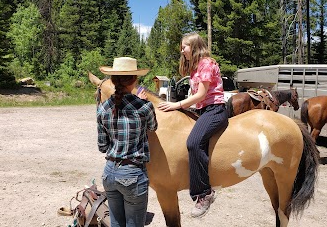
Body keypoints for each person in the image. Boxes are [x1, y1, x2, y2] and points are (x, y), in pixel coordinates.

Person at [158, 32, 228, 218]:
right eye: (181, 48)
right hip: (204, 110)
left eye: (184, 47)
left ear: (195, 46)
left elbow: (201, 95)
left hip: (215, 110)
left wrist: (176, 105)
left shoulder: (206, 63)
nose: (182, 51)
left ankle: (205, 193)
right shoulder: (196, 67)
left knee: (193, 143)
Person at [96, 57, 158, 227]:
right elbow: (153, 128)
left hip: (109, 172)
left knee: (116, 224)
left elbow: (102, 146)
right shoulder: (145, 107)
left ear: (113, 80)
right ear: (135, 80)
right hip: (132, 174)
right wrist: (141, 100)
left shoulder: (102, 109)